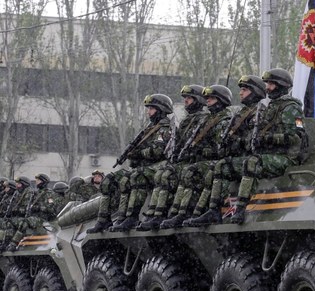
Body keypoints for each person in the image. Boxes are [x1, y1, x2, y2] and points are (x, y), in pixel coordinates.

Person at [185, 75, 267, 227]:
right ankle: (212, 210)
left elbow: (255, 140)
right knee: (220, 166)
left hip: (251, 157)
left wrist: (237, 143)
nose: (240, 93)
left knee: (247, 163)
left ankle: (240, 208)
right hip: (236, 156)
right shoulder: (240, 113)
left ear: (255, 91)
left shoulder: (259, 112)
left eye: (244, 90)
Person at [87, 93, 174, 233]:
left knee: (135, 177)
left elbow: (158, 151)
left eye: (151, 108)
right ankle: (104, 219)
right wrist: (133, 156)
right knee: (109, 180)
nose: (148, 112)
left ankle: (131, 216)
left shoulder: (164, 128)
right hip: (144, 167)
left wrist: (138, 153)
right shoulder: (149, 128)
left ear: (160, 109)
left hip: (159, 166)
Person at [128, 85, 207, 231]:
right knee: (152, 175)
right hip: (180, 160)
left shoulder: (201, 120)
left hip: (191, 162)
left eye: (189, 98)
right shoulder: (185, 121)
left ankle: (171, 213)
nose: (186, 101)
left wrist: (140, 153)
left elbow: (158, 150)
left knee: (169, 175)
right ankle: (145, 214)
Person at [156, 85, 232, 229]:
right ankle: (167, 213)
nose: (186, 101)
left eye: (189, 98)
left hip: (208, 161)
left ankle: (188, 212)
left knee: (189, 172)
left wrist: (198, 151)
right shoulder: (199, 120)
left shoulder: (220, 119)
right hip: (191, 159)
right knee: (165, 173)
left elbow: (220, 147)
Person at [5, 173, 59, 252]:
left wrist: (38, 208)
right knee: (11, 222)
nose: (36, 182)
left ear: (44, 182)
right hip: (35, 217)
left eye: (38, 180)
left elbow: (52, 209)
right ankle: (6, 242)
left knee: (25, 221)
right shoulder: (36, 193)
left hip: (43, 219)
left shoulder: (49, 194)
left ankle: (14, 243)